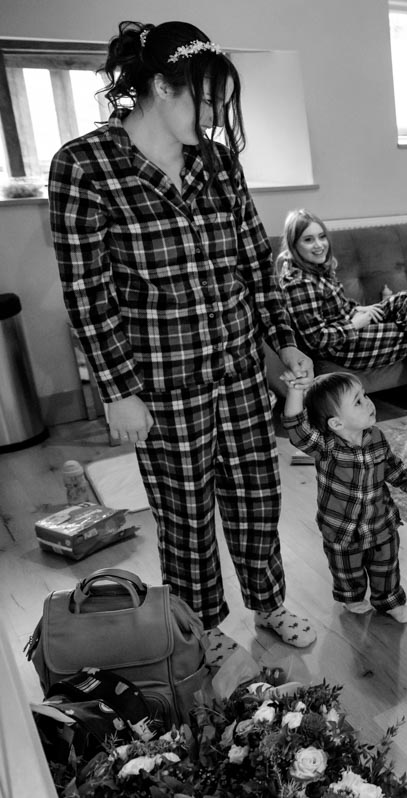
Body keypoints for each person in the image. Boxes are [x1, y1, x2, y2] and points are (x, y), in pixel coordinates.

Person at [48, 20, 318, 667]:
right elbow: (89, 295)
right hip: (162, 385)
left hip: (235, 369)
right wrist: (117, 391)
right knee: (186, 515)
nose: (217, 119)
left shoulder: (218, 163)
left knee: (257, 496)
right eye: (206, 102)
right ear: (161, 88)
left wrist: (284, 343)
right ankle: (202, 624)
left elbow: (255, 261)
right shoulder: (85, 167)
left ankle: (268, 600)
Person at [281, 371, 407, 624]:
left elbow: (391, 465)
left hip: (380, 521)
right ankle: (353, 597)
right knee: (347, 570)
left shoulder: (376, 437)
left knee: (386, 566)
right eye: (358, 402)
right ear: (336, 423)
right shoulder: (326, 447)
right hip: (341, 529)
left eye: (365, 395)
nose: (368, 403)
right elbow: (296, 428)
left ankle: (389, 600)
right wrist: (295, 391)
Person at [277, 209, 407, 415]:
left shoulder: (316, 268)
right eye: (308, 239)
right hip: (341, 346)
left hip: (350, 326)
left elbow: (336, 306)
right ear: (294, 244)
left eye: (321, 237)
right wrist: (355, 324)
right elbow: (315, 340)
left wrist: (357, 309)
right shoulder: (299, 284)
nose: (319, 245)